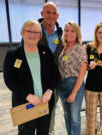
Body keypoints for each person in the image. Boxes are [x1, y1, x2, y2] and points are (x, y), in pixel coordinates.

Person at [3, 20, 58, 135]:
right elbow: (9, 80)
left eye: (36, 32)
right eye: (29, 31)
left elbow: (55, 74)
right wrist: (28, 96)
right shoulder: (13, 54)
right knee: (25, 132)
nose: (32, 35)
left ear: (40, 35)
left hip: (44, 103)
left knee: (43, 132)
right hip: (25, 104)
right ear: (22, 32)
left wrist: (49, 91)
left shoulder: (46, 52)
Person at [58, 21, 87, 135]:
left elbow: (82, 73)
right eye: (66, 30)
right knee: (66, 114)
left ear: (77, 34)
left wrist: (74, 92)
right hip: (61, 85)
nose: (68, 33)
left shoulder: (80, 49)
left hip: (75, 84)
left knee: (75, 117)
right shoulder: (61, 48)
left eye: (72, 31)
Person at [39, 2, 63, 134]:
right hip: (36, 80)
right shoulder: (33, 31)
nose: (51, 16)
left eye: (54, 13)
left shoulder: (59, 34)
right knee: (34, 109)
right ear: (42, 14)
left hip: (54, 81)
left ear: (57, 16)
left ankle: (50, 131)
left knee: (51, 108)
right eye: (48, 12)